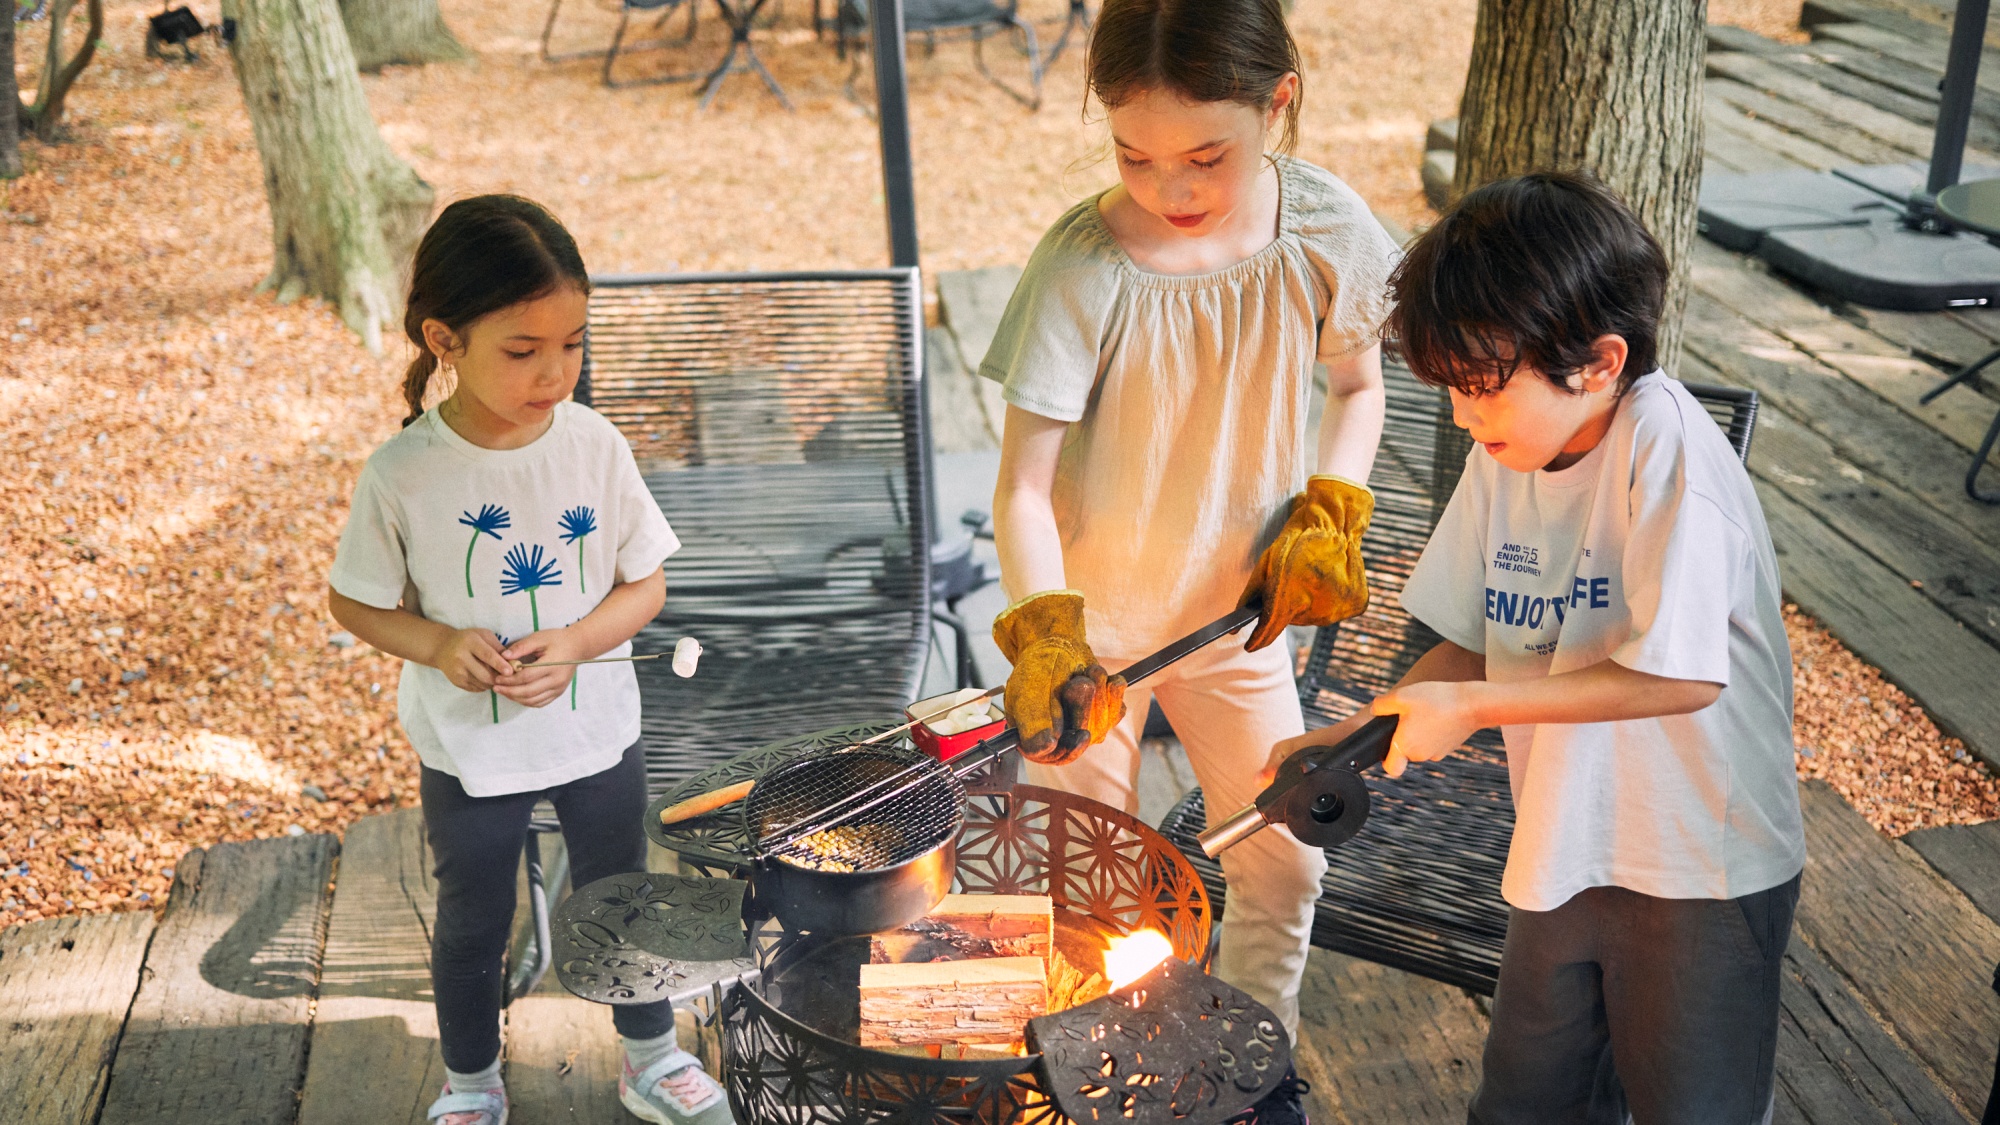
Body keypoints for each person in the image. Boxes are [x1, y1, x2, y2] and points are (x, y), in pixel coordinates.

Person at [1274, 173, 1807, 1124]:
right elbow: (1472, 646)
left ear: (1599, 362)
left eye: (1482, 389)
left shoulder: (1666, 446)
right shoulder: (1504, 458)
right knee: (1525, 1102)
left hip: (1699, 863)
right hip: (1564, 838)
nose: (1464, 418)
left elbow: (1681, 675)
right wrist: (1357, 730)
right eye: (1451, 392)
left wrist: (1473, 710)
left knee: (1694, 1106)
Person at [982, 0, 1399, 1115]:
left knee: (1282, 859)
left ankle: (1247, 1072)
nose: (1168, 189)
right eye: (1133, 154)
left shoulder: (1324, 232)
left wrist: (1331, 507)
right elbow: (1021, 487)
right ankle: (1111, 1076)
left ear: (1279, 103)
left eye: (1204, 157)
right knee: (1094, 887)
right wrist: (1051, 638)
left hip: (1234, 624)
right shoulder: (1084, 265)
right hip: (1094, 651)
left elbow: (1359, 387)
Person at [327, 196, 732, 1125]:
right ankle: (471, 1082)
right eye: (524, 350)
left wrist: (582, 640)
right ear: (445, 340)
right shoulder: (404, 474)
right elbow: (353, 598)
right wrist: (435, 643)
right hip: (471, 749)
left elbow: (647, 586)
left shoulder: (594, 446)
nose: (556, 372)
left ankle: (651, 1057)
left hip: (596, 735)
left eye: (574, 344)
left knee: (622, 896)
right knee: (473, 915)